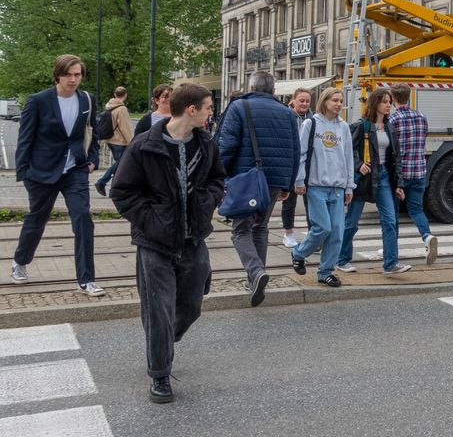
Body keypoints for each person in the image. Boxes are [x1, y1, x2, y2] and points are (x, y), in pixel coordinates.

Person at [109, 84, 224, 403]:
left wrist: (209, 200)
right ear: (191, 110)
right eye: (208, 107)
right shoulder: (145, 145)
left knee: (192, 304)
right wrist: (150, 220)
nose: (211, 112)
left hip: (193, 237)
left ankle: (162, 342)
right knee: (158, 309)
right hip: (155, 242)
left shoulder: (205, 143)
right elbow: (122, 192)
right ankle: (159, 374)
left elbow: (217, 179)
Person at [11, 54, 104, 295]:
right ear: (58, 75)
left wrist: (93, 161)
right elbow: (25, 140)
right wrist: (24, 174)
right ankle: (20, 262)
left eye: (78, 74)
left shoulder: (87, 100)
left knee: (83, 218)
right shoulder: (38, 101)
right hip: (41, 172)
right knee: (37, 219)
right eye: (68, 75)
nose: (73, 79)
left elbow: (92, 133)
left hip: (75, 170)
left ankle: (86, 279)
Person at [217, 71, 300, 307]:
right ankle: (255, 277)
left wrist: (220, 175)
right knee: (260, 227)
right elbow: (295, 151)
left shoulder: (239, 106)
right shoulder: (287, 112)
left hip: (246, 178)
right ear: (273, 90)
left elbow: (228, 144)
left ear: (251, 87)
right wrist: (288, 184)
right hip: (274, 180)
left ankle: (255, 272)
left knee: (240, 230)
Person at [336, 88, 411, 276]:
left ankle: (391, 264)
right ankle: (342, 259)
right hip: (364, 178)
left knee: (390, 221)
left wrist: (399, 184)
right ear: (375, 103)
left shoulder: (390, 127)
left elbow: (397, 158)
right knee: (352, 222)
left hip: (384, 177)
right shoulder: (361, 126)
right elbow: (347, 151)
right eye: (385, 102)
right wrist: (359, 163)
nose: (388, 105)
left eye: (389, 102)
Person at [290, 88, 355, 287]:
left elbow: (348, 158)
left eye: (341, 100)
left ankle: (325, 271)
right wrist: (299, 180)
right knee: (322, 228)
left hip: (337, 188)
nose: (338, 104)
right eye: (335, 100)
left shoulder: (344, 127)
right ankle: (298, 252)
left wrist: (349, 186)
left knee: (337, 231)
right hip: (316, 186)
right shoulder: (312, 124)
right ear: (325, 101)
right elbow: (301, 154)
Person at [388, 84, 438, 265]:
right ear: (409, 97)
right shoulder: (421, 117)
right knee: (416, 210)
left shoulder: (392, 119)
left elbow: (390, 148)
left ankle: (391, 249)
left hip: (399, 175)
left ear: (393, 99)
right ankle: (426, 236)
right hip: (418, 171)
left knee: (392, 213)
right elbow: (422, 140)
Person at [280, 87, 313, 249]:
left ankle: (312, 233)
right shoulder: (286, 116)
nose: (305, 104)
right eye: (301, 100)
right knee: (289, 201)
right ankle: (288, 233)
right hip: (291, 163)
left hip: (308, 165)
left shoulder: (313, 118)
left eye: (307, 101)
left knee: (311, 202)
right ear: (293, 100)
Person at [95, 86, 134, 196]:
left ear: (115, 94)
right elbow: (124, 127)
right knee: (121, 164)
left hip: (110, 139)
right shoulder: (122, 109)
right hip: (120, 141)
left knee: (119, 165)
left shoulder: (109, 106)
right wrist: (131, 142)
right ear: (125, 95)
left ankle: (114, 190)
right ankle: (102, 182)